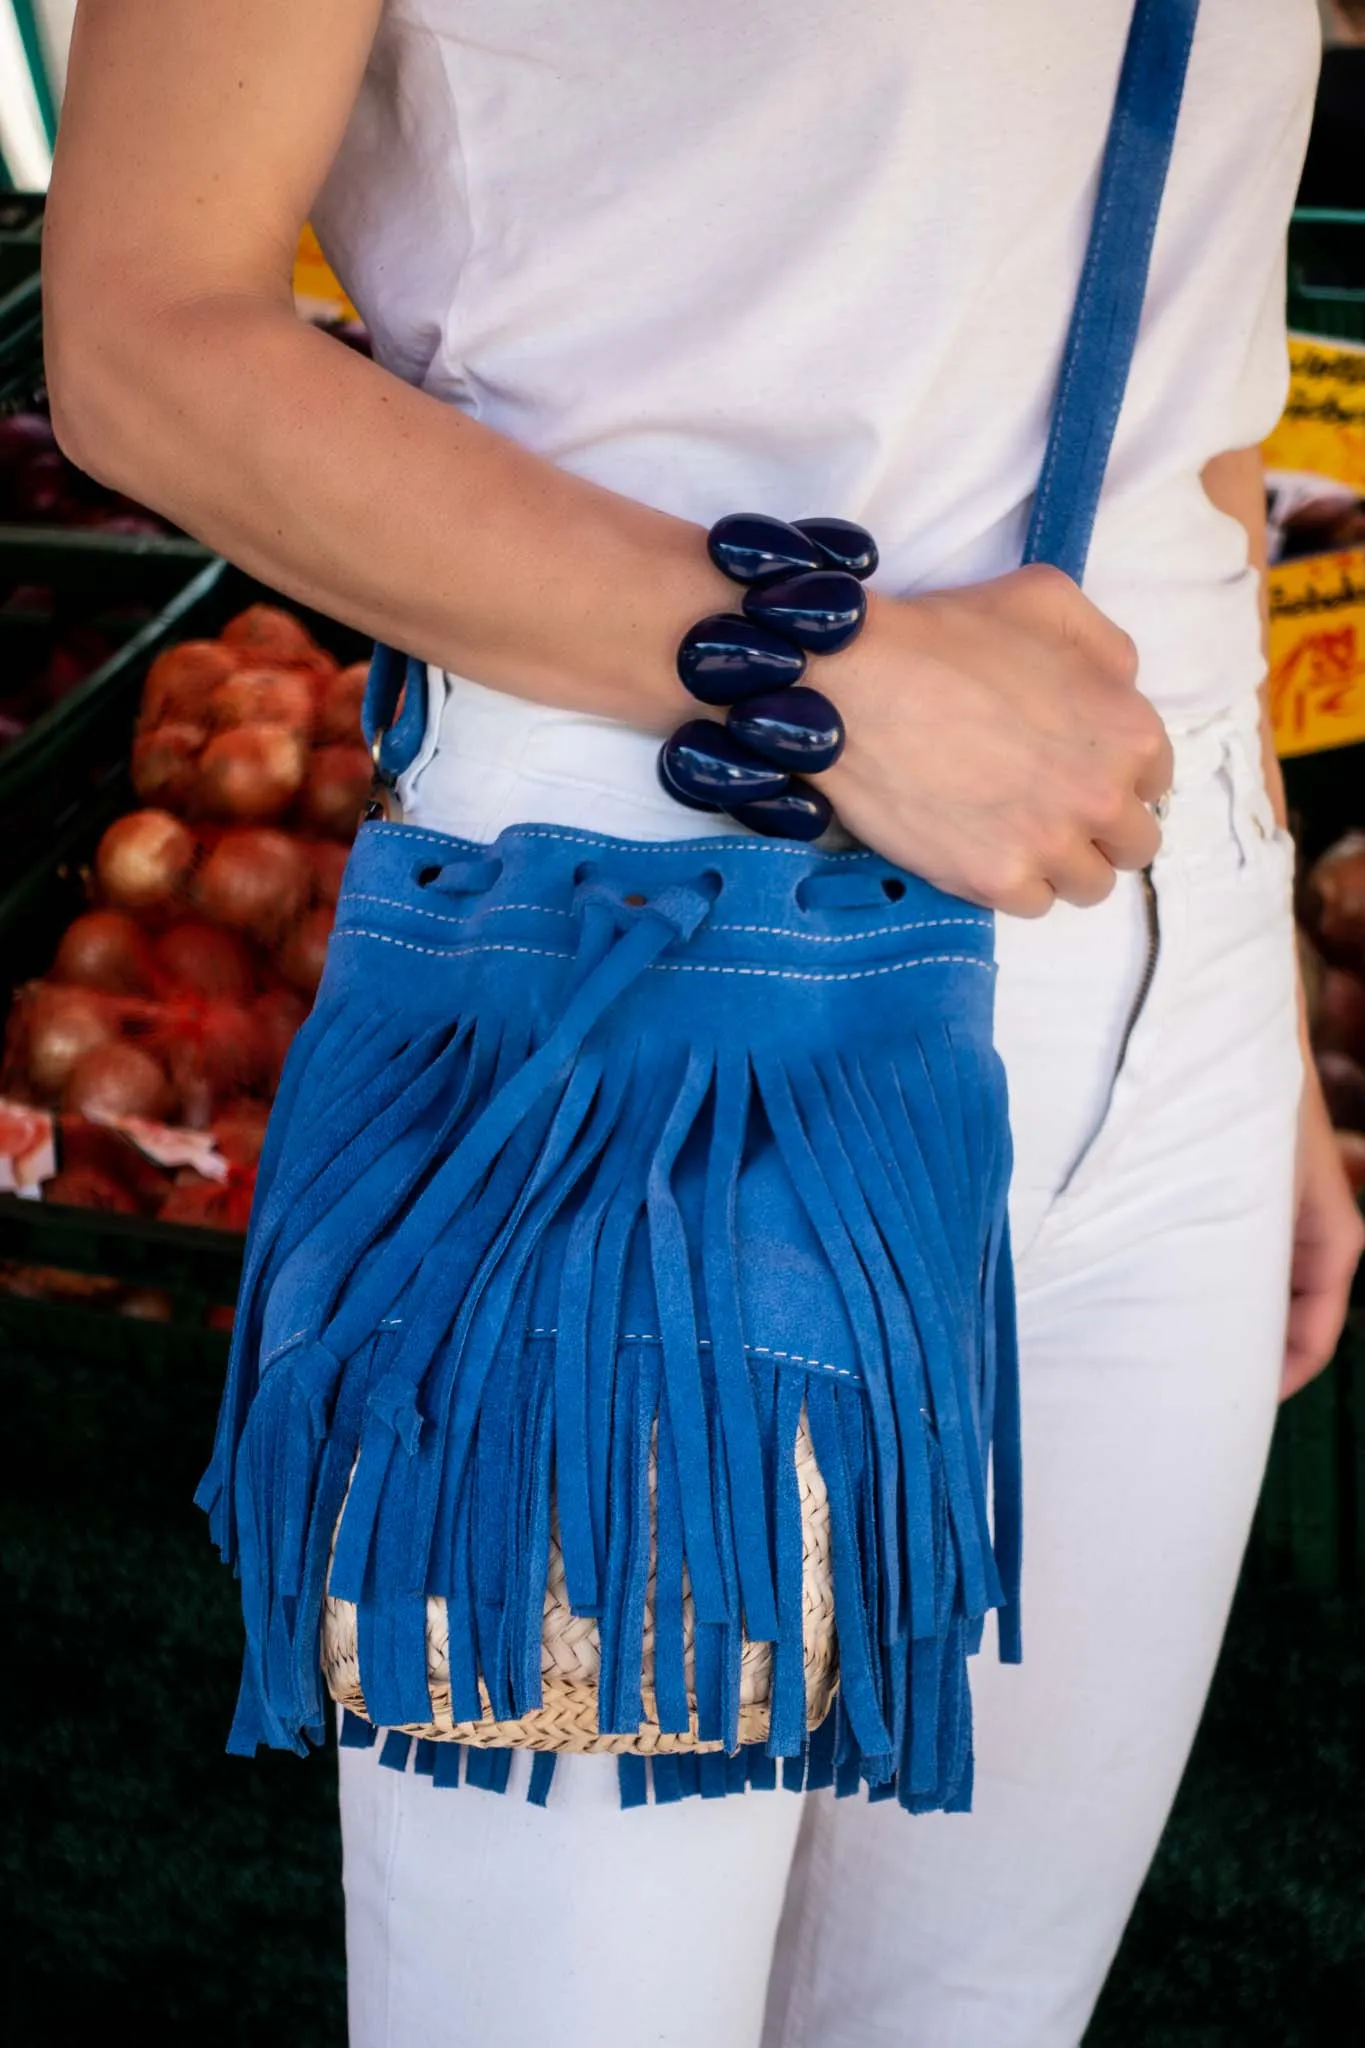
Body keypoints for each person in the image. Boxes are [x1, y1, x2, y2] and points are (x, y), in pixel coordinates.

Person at [42, 4, 1364, 2044]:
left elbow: (1181, 364)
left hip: (1151, 956)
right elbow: (141, 341)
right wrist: (818, 676)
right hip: (636, 976)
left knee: (975, 2006)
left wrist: (1236, 965)